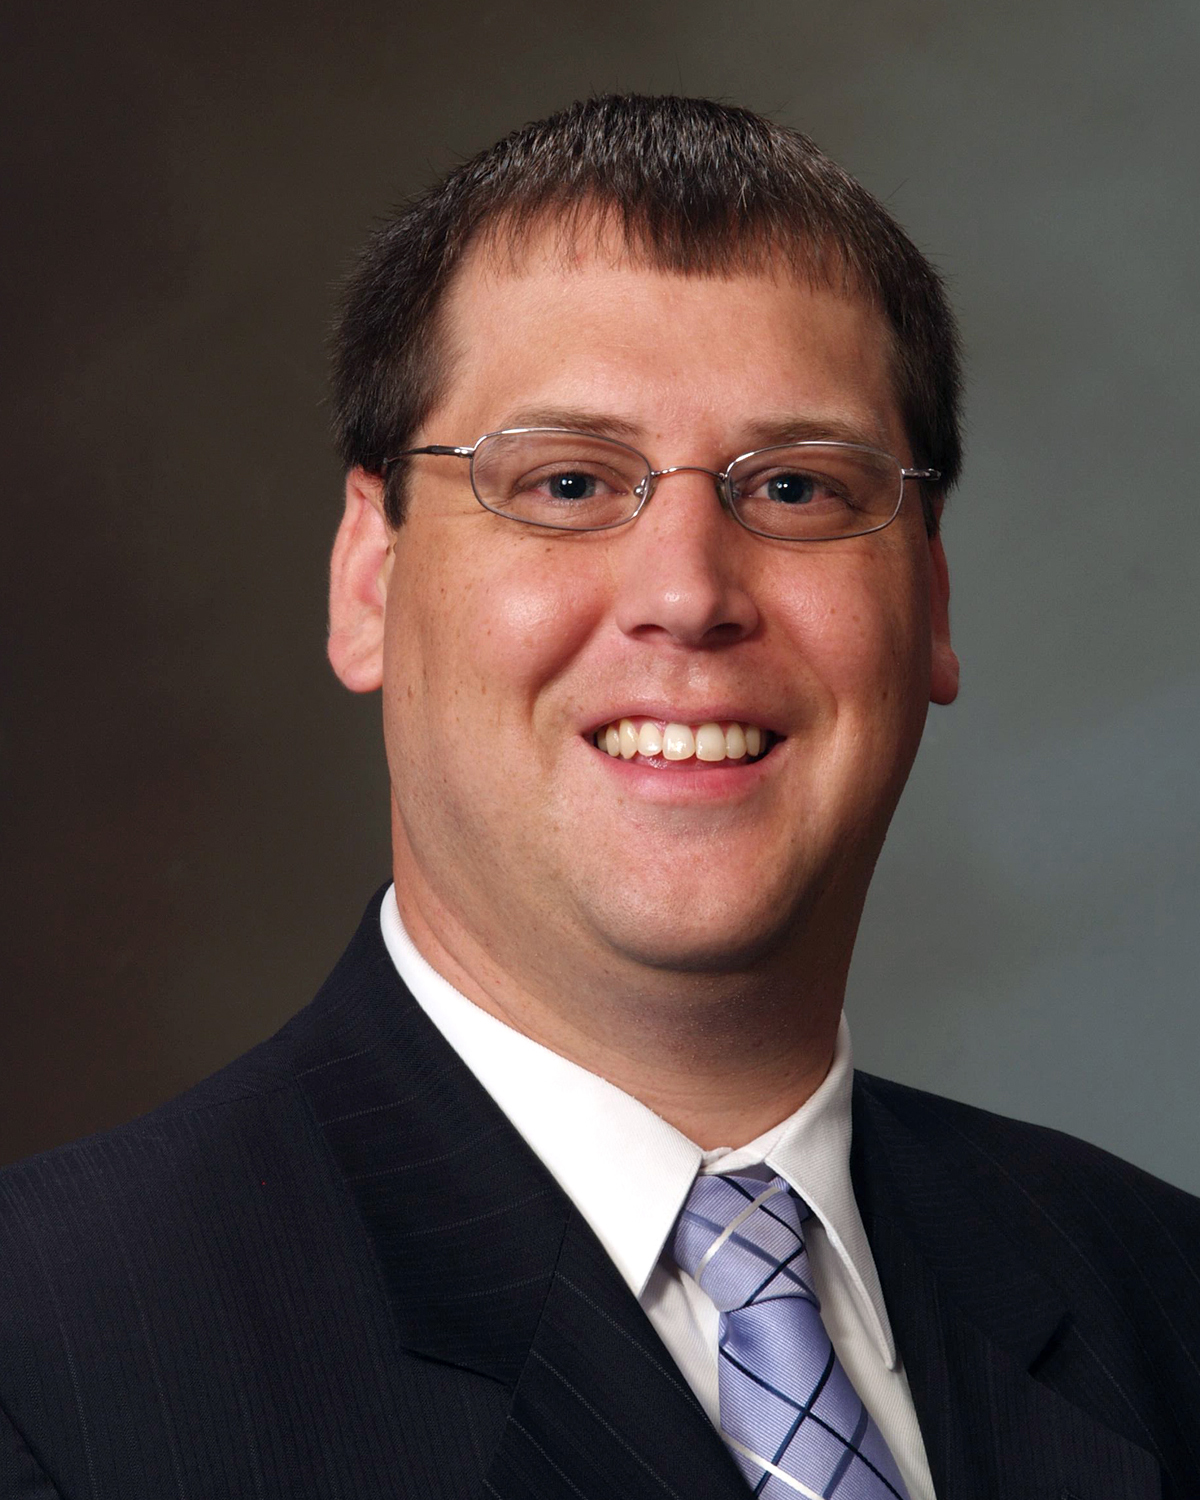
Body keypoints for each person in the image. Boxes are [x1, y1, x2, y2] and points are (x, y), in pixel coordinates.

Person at [1, 94, 1196, 1500]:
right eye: (567, 481)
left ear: (929, 602)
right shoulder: (50, 1360)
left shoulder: (1164, 1302)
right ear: (369, 579)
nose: (688, 593)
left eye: (798, 488)